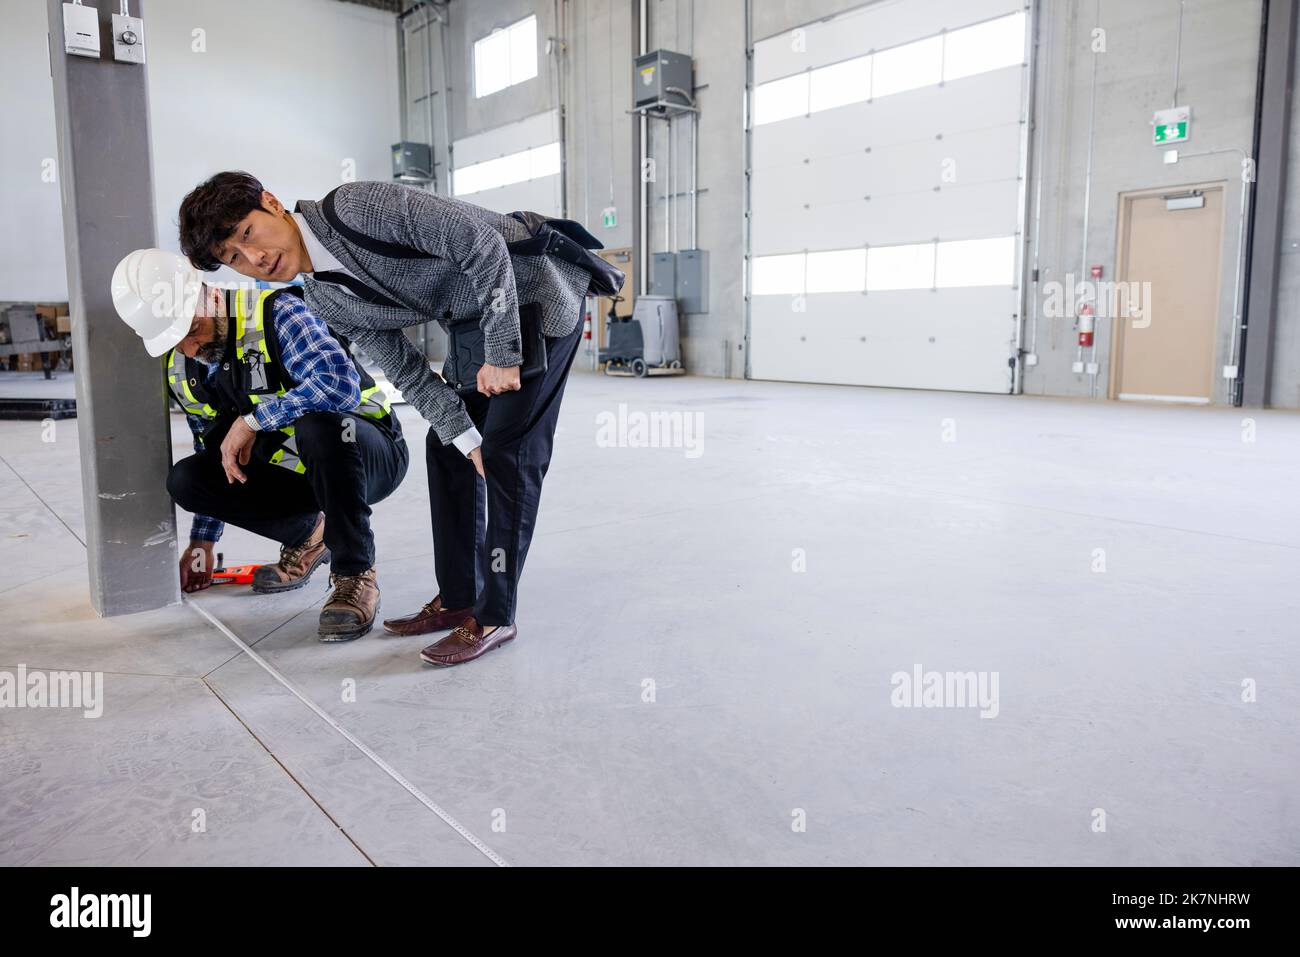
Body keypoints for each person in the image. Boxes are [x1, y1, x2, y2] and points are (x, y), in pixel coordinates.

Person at [177, 172, 620, 667]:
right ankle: (458, 598)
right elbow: (407, 370)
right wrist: (460, 433)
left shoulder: (356, 207)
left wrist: (502, 352)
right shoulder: (325, 299)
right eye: (234, 258)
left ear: (272, 203)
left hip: (535, 291)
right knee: (448, 445)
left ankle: (495, 615)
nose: (254, 258)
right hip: (474, 319)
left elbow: (481, 243)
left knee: (507, 454)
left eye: (247, 234)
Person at [110, 247, 408, 640]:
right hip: (300, 473)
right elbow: (211, 449)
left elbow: (339, 386)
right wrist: (202, 545)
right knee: (189, 478)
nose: (190, 349)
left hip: (367, 454)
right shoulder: (183, 367)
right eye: (175, 341)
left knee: (320, 424)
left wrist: (253, 421)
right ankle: (310, 535)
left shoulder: (277, 313)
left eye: (191, 330)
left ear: (211, 295)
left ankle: (355, 575)